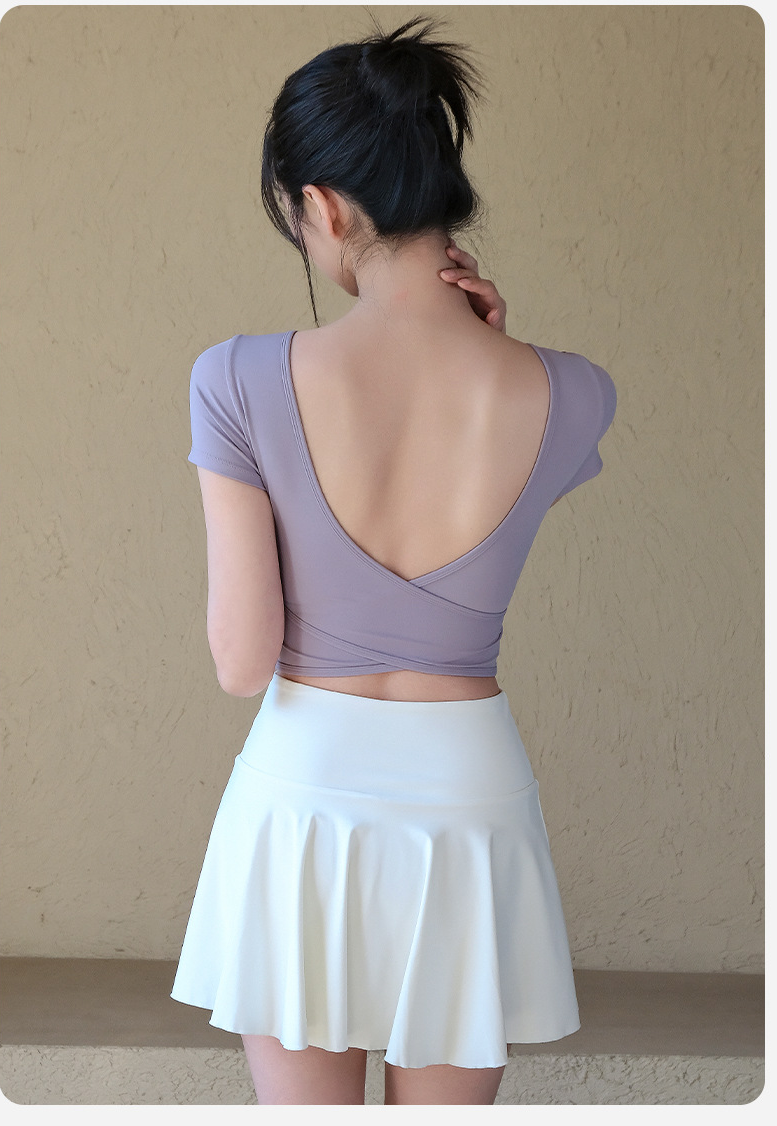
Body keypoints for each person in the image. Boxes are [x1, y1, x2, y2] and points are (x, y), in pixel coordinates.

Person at [171, 15, 617, 1106]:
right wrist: (497, 351)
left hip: (303, 797)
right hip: (468, 802)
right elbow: (487, 435)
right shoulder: (574, 392)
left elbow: (242, 662)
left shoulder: (235, 379)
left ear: (323, 206)